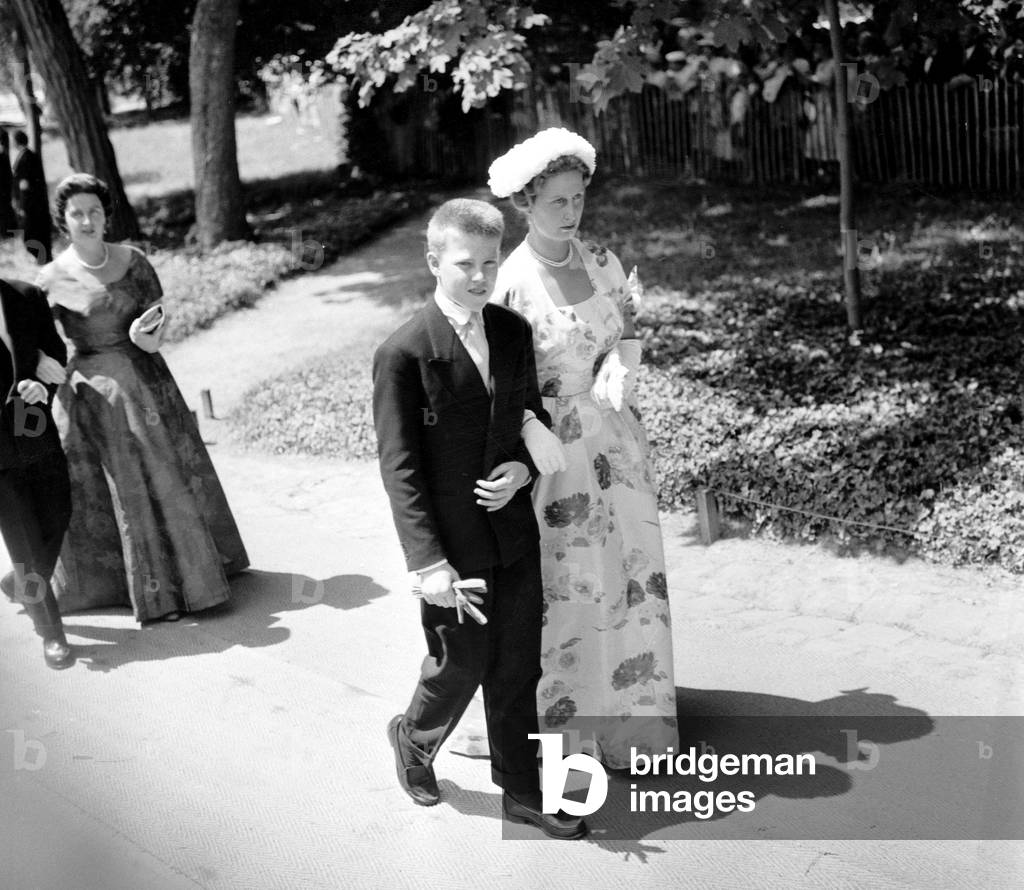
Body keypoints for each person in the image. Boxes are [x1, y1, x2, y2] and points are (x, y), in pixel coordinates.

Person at [372, 197, 586, 839]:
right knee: (459, 663)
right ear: (434, 261)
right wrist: (426, 563)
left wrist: (523, 468)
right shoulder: (404, 353)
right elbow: (400, 468)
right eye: (464, 263)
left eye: (490, 263)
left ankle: (522, 790)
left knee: (518, 664)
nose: (479, 276)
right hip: (452, 547)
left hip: (512, 529)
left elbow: (525, 414)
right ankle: (413, 737)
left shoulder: (512, 331)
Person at [488, 128, 678, 769]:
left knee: (630, 574)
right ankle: (566, 726)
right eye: (557, 202)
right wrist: (528, 424)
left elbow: (625, 325)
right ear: (526, 203)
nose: (571, 212)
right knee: (571, 587)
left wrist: (622, 361)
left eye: (578, 198)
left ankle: (634, 717)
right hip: (554, 456)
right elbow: (492, 381)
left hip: (617, 442)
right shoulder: (511, 284)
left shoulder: (600, 259)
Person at [36, 173, 248, 624]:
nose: (88, 221)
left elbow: (158, 323)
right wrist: (38, 362)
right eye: (77, 213)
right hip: (91, 393)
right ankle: (145, 591)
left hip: (147, 379)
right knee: (120, 487)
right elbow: (36, 339)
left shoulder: (134, 261)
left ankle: (191, 580)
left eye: (95, 211)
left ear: (106, 215)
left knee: (164, 475)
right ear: (63, 220)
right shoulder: (50, 278)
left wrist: (146, 336)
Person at [0, 275, 75, 668]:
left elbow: (56, 352)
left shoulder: (26, 295)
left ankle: (18, 583)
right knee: (25, 545)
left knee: (60, 511)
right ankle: (51, 633)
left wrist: (43, 385)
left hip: (35, 429)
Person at [11, 131, 52, 265]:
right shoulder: (31, 155)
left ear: (16, 142)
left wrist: (22, 206)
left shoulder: (25, 159)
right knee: (38, 230)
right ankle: (43, 256)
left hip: (30, 204)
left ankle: (41, 257)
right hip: (37, 203)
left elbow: (24, 185)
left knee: (30, 232)